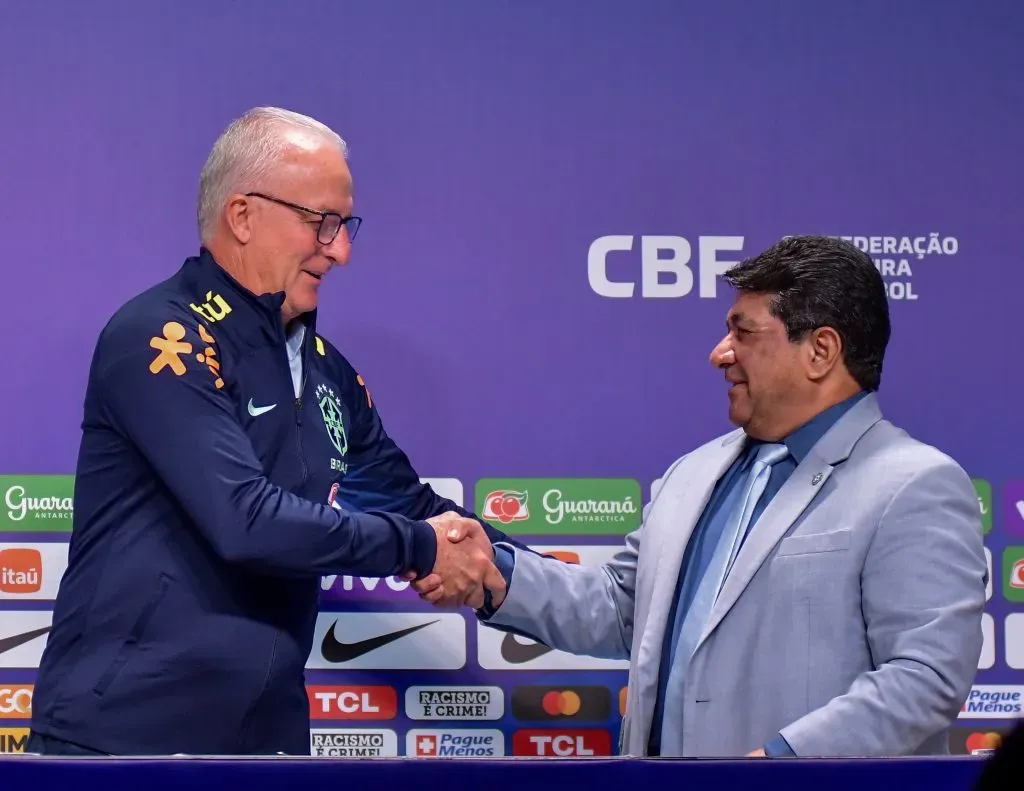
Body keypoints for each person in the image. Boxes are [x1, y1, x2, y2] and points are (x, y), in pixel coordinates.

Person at [27, 107, 511, 757]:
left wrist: (534, 578)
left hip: (267, 748)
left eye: (345, 226)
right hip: (119, 747)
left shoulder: (330, 374)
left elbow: (414, 505)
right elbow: (245, 520)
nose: (341, 251)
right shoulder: (162, 336)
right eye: (322, 222)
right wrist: (419, 548)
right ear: (243, 215)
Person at [421, 235, 988, 758]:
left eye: (744, 333)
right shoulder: (692, 473)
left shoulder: (914, 484)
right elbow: (623, 611)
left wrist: (782, 764)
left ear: (821, 350)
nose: (720, 354)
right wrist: (494, 573)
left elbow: (925, 676)